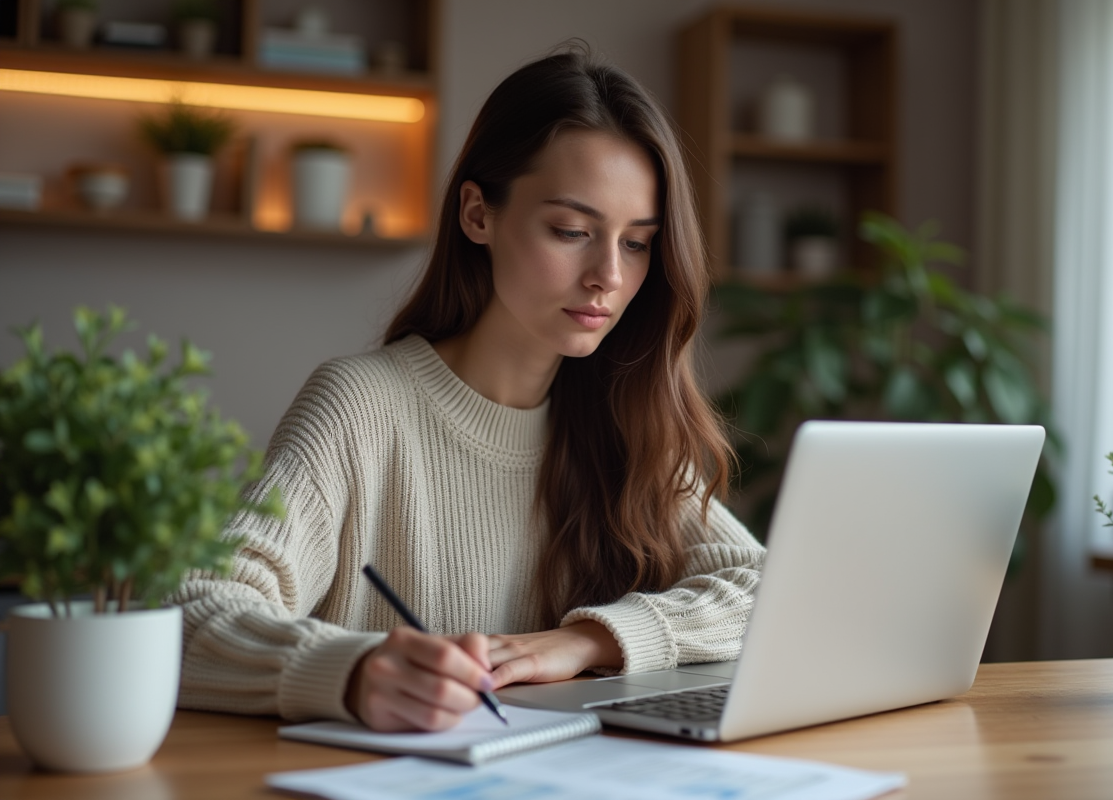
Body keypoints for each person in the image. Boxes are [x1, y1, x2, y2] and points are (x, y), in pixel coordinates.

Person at [172, 47, 765, 733]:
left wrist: (588, 641)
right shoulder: (359, 407)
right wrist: (355, 671)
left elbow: (763, 590)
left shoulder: (624, 417)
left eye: (636, 244)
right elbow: (195, 613)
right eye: (571, 231)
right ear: (478, 214)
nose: (608, 274)